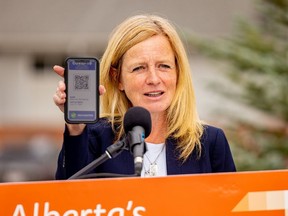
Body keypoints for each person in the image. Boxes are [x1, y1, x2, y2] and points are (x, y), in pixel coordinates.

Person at [53, 14, 236, 180]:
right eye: (139, 68)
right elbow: (68, 199)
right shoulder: (96, 138)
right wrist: (76, 129)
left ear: (178, 73)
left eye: (163, 66)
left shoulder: (210, 142)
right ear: (118, 79)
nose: (154, 79)